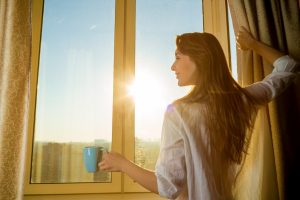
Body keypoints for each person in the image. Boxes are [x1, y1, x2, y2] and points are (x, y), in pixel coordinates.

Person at [98, 26, 299, 199]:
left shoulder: (178, 112)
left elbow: (167, 187)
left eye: (177, 57)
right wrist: (253, 44)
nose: (172, 67)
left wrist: (122, 164)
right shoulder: (242, 100)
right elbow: (288, 67)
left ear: (200, 59)